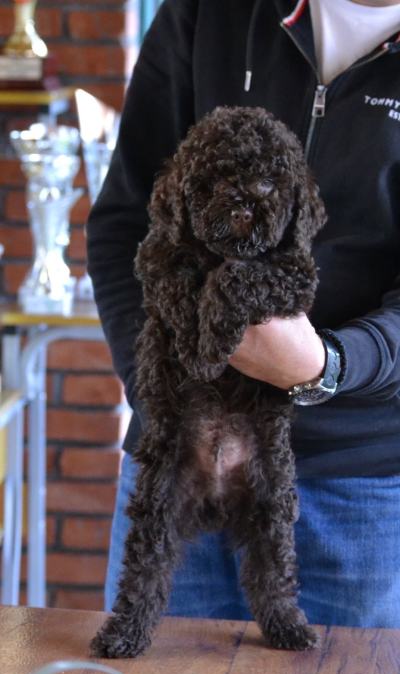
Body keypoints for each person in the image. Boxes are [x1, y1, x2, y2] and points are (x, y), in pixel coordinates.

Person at [86, 0, 400, 628]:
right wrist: (157, 396)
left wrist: (329, 364)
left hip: (359, 484)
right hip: (175, 453)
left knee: (331, 670)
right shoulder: (207, 11)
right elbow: (125, 223)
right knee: (147, 662)